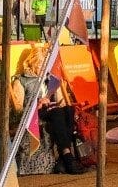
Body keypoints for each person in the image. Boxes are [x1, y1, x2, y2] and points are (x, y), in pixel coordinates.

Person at [12, 45, 82, 174]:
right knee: (57, 113)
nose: (44, 69)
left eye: (46, 65)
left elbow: (61, 102)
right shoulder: (21, 80)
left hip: (52, 110)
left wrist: (56, 92)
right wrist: (37, 104)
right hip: (33, 113)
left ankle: (63, 158)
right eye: (40, 65)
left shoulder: (50, 79)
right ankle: (67, 156)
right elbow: (18, 109)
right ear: (32, 63)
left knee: (68, 110)